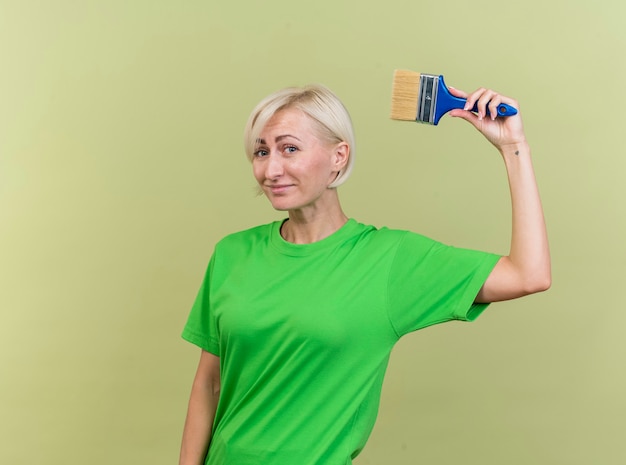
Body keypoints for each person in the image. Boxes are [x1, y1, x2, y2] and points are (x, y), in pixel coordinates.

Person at [178, 83, 551, 465]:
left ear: (339, 157)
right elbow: (209, 383)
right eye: (262, 151)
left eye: (289, 148)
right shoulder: (232, 254)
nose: (271, 169)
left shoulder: (389, 261)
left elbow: (529, 273)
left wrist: (512, 148)